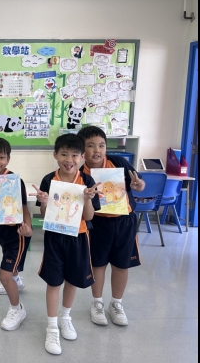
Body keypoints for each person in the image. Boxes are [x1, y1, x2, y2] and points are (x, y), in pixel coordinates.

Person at [33, 133, 101, 355]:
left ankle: (65, 317)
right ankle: (52, 327)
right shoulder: (49, 180)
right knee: (54, 281)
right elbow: (45, 214)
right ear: (55, 155)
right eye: (64, 154)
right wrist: (44, 202)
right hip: (55, 237)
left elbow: (89, 217)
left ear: (82, 157)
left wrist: (88, 199)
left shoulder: (87, 181)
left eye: (74, 155)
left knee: (72, 279)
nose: (68, 159)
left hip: (79, 236)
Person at [77, 126, 145, 327]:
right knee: (98, 264)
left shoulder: (119, 163)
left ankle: (116, 304)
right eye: (90, 146)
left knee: (121, 264)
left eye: (101, 145)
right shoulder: (81, 175)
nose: (97, 150)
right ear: (82, 151)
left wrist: (138, 186)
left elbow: (139, 183)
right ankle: (97, 303)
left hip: (124, 222)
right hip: (97, 223)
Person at [0, 138, 33, 331]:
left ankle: (17, 309)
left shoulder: (14, 180)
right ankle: (16, 280)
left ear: (8, 159)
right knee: (9, 262)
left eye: (1, 157)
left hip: (18, 233)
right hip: (2, 230)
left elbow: (24, 207)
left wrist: (28, 228)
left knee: (4, 275)